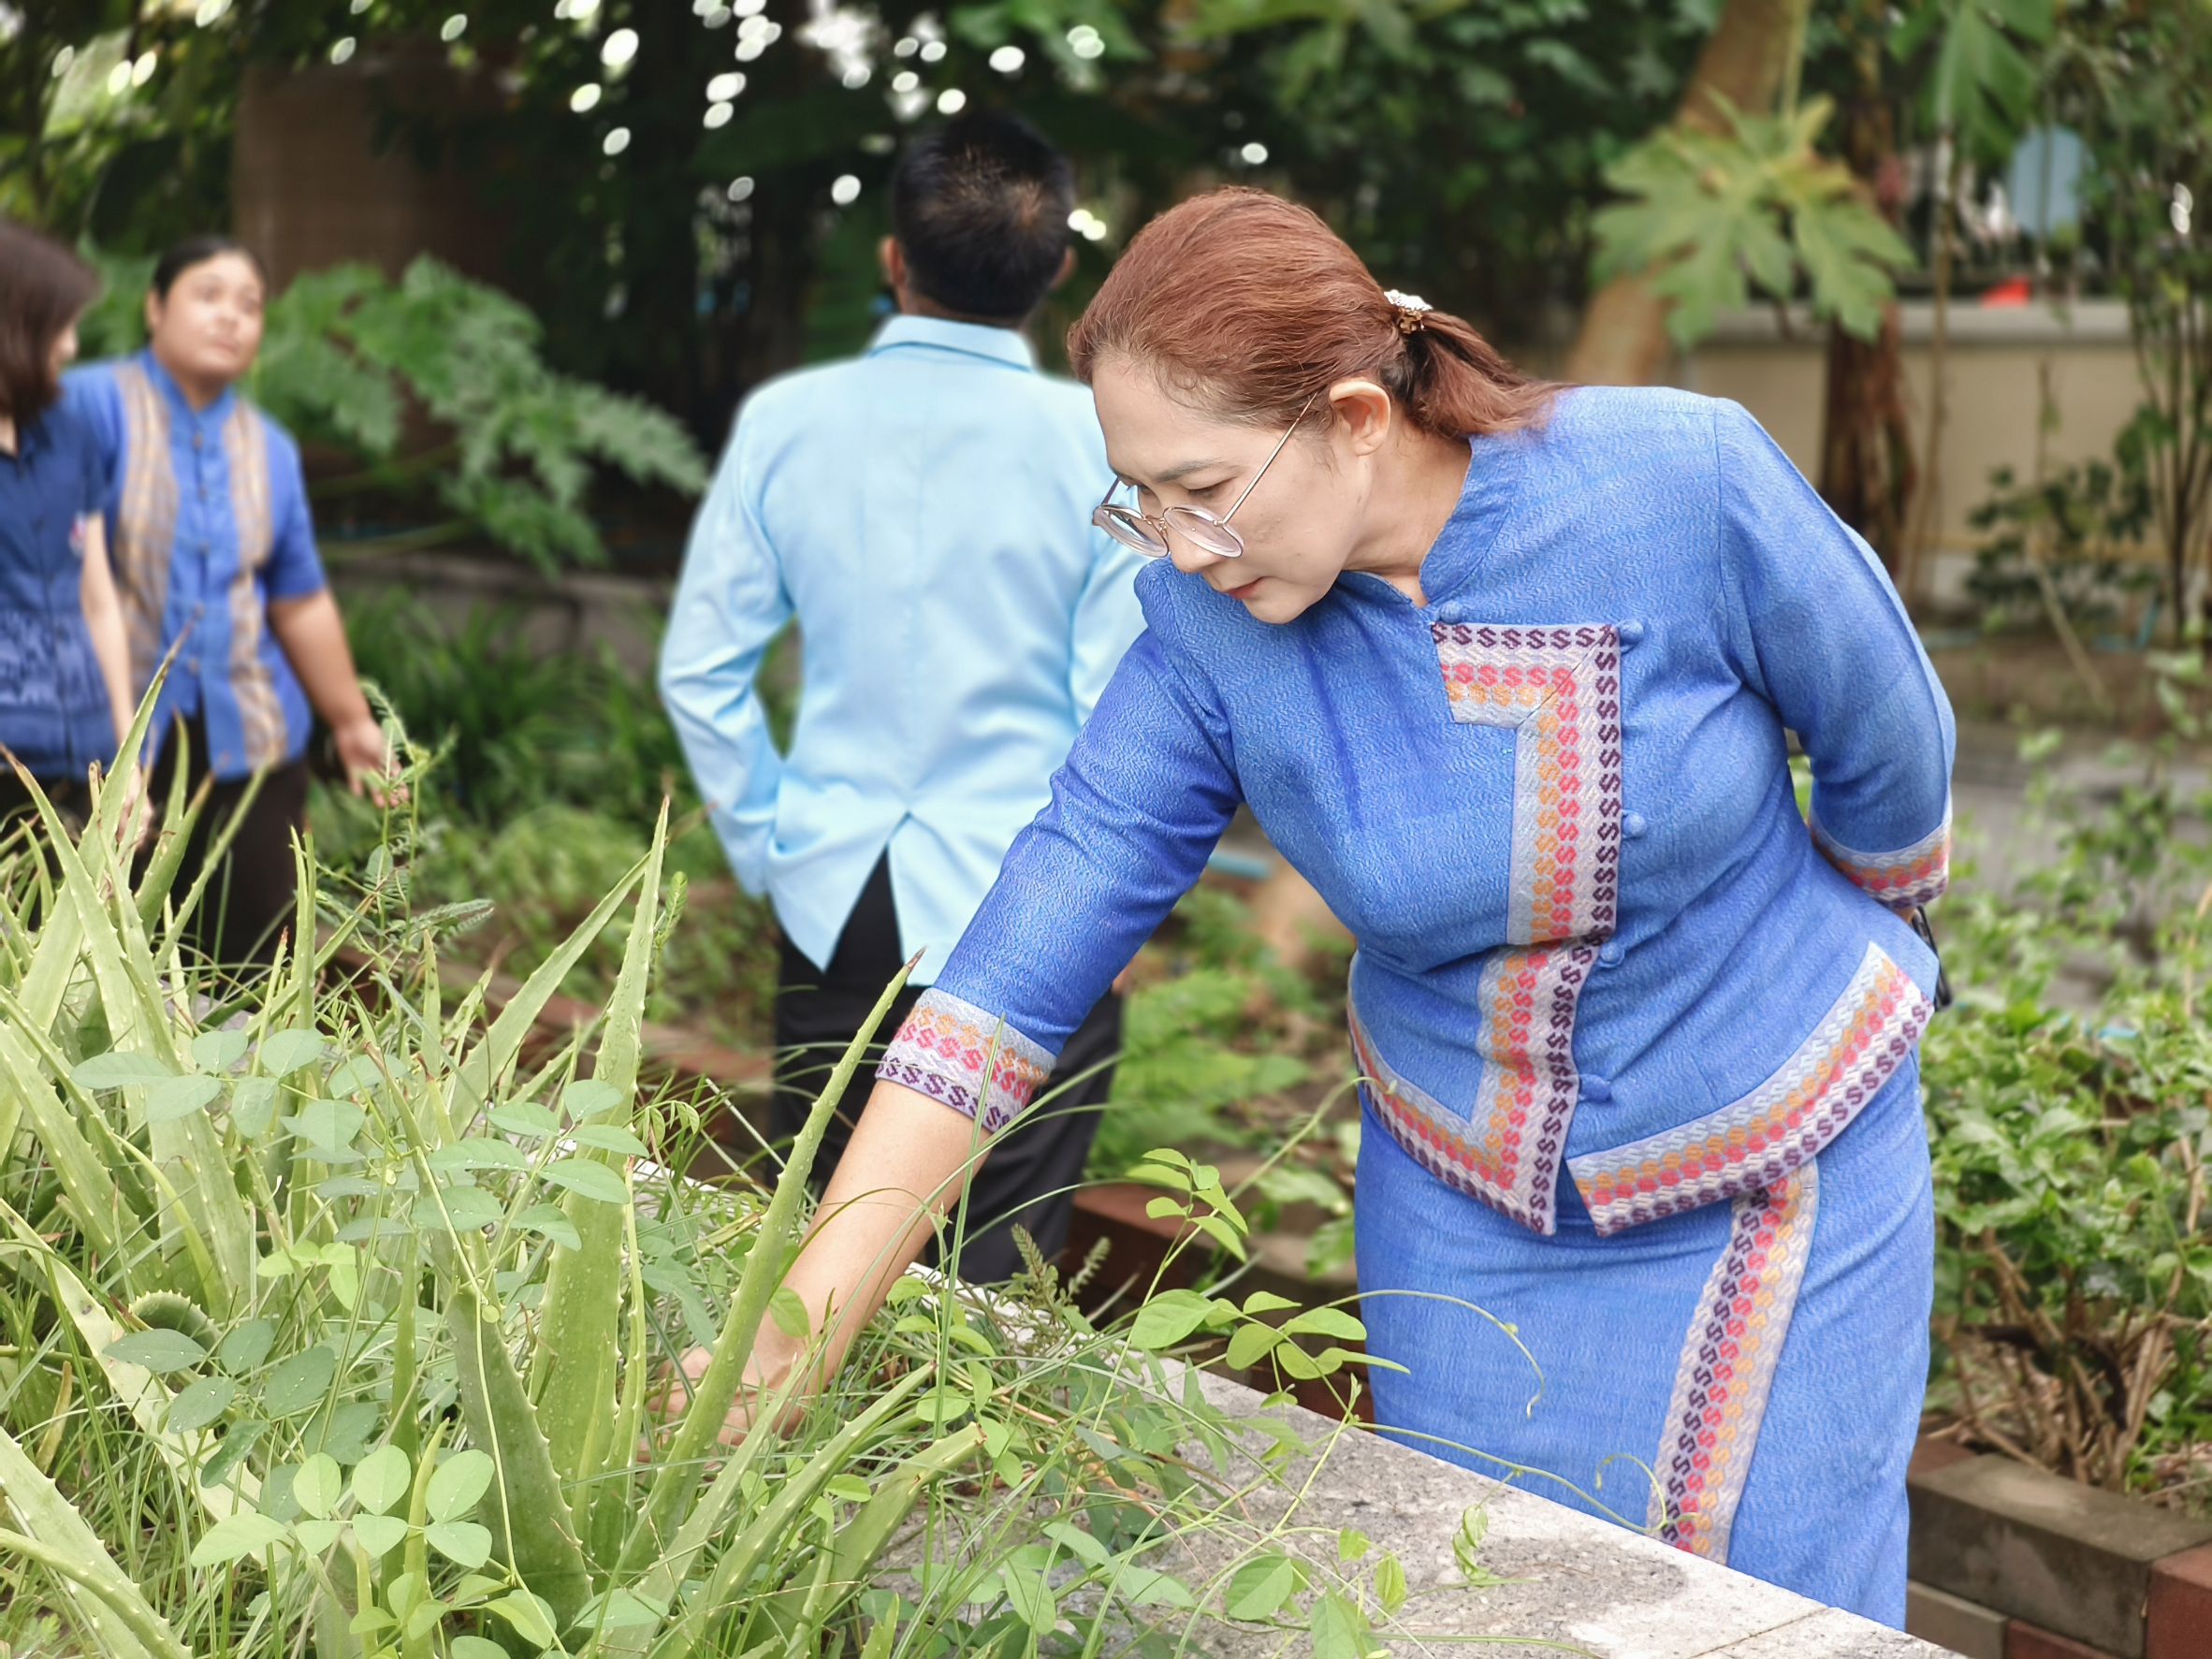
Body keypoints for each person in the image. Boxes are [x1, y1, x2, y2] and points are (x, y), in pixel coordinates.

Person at [706, 189, 1957, 1624]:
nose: (1175, 544)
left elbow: (1889, 746)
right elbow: (1017, 964)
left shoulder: (1685, 482)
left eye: (1205, 487)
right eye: (1140, 498)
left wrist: (1883, 942)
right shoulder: (1204, 632)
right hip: (1461, 1193)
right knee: (1475, 1604)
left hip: (1779, 1161)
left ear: (1359, 416)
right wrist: (797, 1329)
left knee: (1773, 1614)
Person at [660, 112, 1144, 1282]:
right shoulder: (1108, 438)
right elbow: (1125, 701)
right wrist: (1120, 899)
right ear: (1060, 271)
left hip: (838, 896)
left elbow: (701, 671)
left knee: (808, 1268)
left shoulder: (785, 422)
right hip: (1040, 896)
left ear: (894, 257)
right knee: (998, 1283)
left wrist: (775, 850)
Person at [71, 236, 392, 974]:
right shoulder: (90, 407)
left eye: (249, 305)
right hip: (108, 744)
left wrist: (349, 721)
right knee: (107, 966)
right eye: (208, 295)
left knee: (256, 966)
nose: (231, 317)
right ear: (154, 308)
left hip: (252, 742)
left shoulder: (269, 448)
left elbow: (298, 596)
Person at [0, 224, 138, 831]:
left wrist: (129, 757)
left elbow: (99, 599)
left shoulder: (71, 432)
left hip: (82, 757)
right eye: (62, 325)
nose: (73, 347)